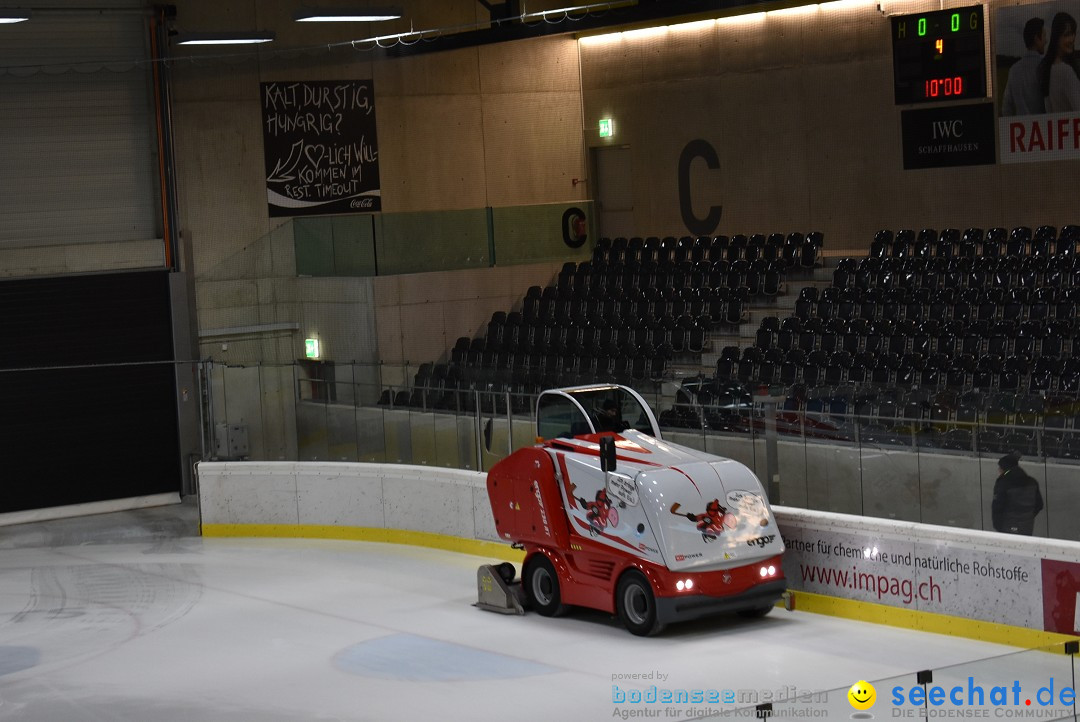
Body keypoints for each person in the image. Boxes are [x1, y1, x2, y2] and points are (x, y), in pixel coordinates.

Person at [1002, 17, 1047, 116]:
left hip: (1021, 129)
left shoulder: (1014, 70)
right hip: (1043, 128)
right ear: (1037, 38)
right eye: (1044, 36)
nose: (1046, 41)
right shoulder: (1045, 66)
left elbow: (1006, 108)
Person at [991, 453, 1044, 536]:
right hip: (1026, 526)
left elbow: (998, 506)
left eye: (1000, 468)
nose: (999, 470)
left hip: (1007, 527)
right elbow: (1039, 505)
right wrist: (1027, 517)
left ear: (1004, 469)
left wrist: (998, 526)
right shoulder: (1032, 482)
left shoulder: (1003, 482)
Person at [1039, 12, 1080, 113]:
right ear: (1056, 38)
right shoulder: (1065, 71)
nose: (1072, 39)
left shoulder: (1048, 68)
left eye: (1073, 33)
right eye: (1067, 35)